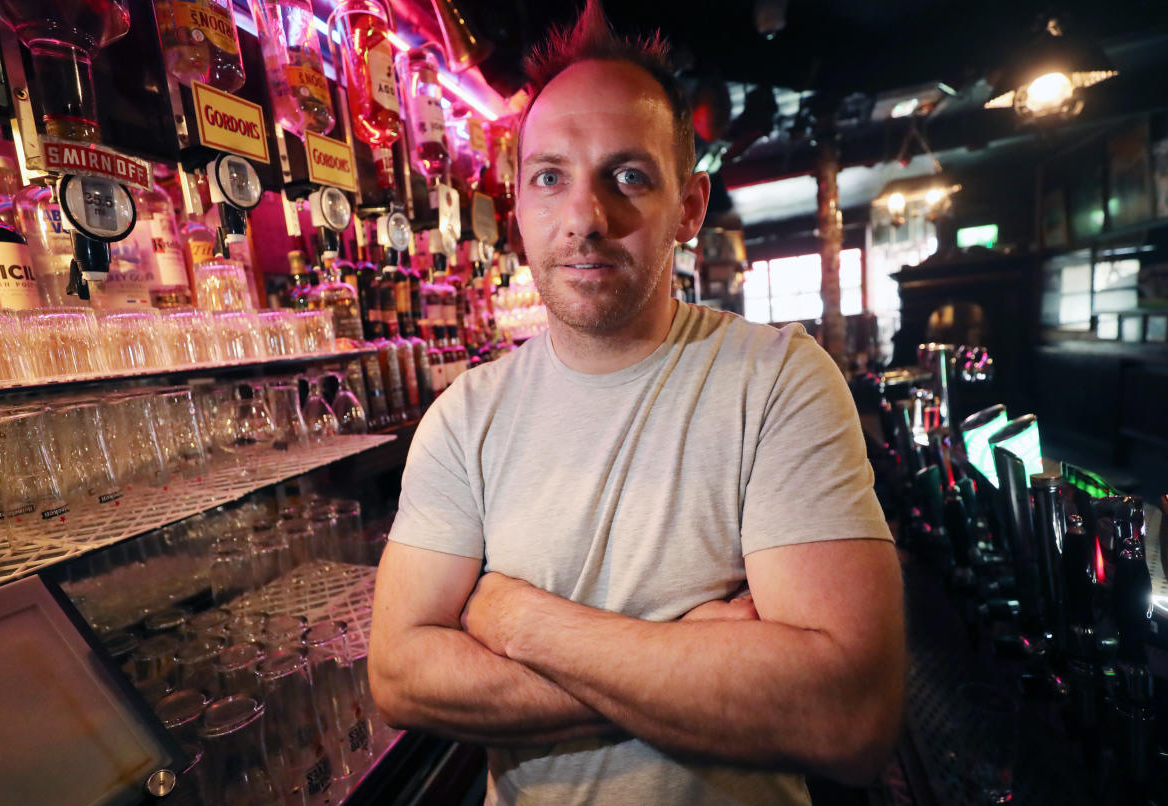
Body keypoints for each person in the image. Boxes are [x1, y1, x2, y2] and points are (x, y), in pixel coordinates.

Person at [368, 3, 905, 804]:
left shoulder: (778, 380)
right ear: (516, 207)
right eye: (550, 177)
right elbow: (401, 675)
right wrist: (682, 661)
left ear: (688, 208)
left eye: (628, 176)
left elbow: (846, 714)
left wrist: (516, 620)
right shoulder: (465, 417)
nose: (586, 218)